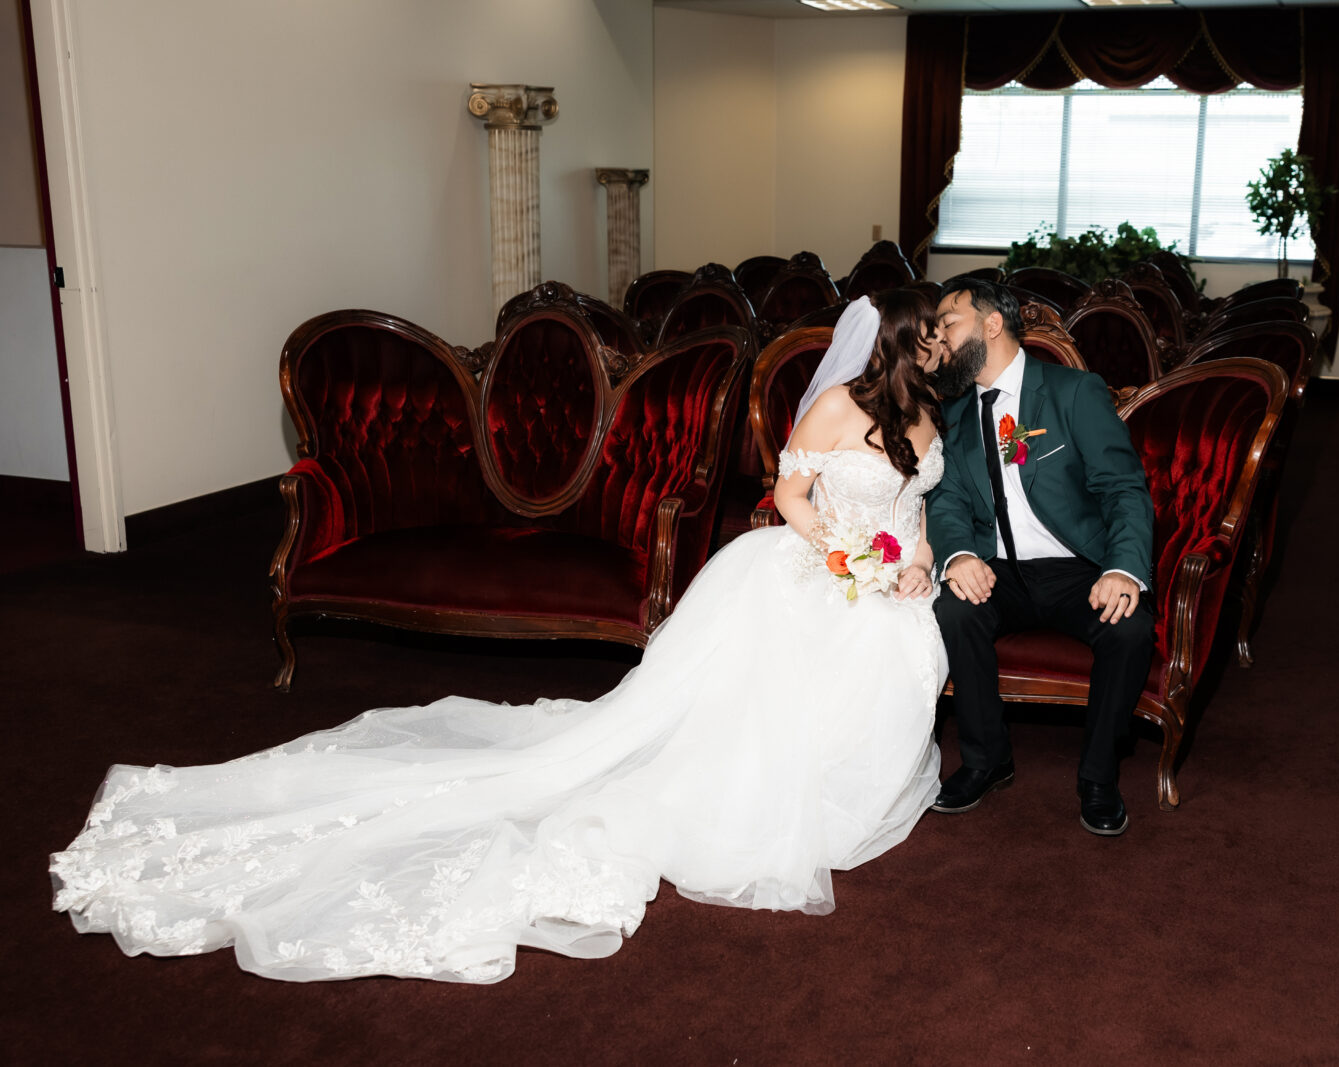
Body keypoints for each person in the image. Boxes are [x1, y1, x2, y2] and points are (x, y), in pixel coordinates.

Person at [49, 291, 950, 984]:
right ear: (902, 342)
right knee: (734, 717)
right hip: (810, 566)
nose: (948, 347)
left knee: (891, 651)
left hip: (883, 578)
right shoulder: (835, 407)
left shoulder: (927, 416)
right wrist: (849, 557)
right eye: (936, 336)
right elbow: (793, 497)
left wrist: (908, 562)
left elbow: (913, 507)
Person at [923, 276, 1154, 836]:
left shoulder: (1073, 392)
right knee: (955, 609)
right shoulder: (954, 415)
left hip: (1077, 569)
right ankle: (985, 759)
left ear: (992, 324)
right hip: (999, 569)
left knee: (1129, 630)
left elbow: (1123, 488)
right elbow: (947, 500)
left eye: (948, 323)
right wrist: (955, 557)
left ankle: (1099, 778)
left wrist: (1122, 569)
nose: (938, 340)